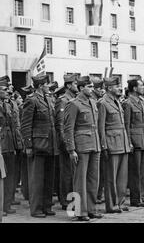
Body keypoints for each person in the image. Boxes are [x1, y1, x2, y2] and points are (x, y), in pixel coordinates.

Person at [63, 76, 103, 221]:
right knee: (80, 180)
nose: (92, 89)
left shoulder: (92, 102)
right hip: (81, 146)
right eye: (89, 87)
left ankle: (91, 209)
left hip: (94, 144)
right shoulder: (73, 104)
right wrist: (71, 149)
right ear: (81, 88)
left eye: (92, 87)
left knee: (93, 179)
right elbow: (68, 128)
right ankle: (80, 211)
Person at [21, 74, 58, 218]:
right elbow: (25, 125)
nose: (48, 87)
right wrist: (28, 145)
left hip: (50, 144)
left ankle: (47, 206)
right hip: (38, 145)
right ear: (41, 86)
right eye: (47, 85)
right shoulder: (31, 100)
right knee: (37, 179)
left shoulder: (48, 99)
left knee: (49, 178)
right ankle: (36, 209)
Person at [98, 77, 132, 213]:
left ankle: (120, 202)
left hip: (122, 143)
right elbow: (100, 127)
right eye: (117, 86)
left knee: (122, 177)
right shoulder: (103, 103)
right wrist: (103, 146)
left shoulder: (117, 102)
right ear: (109, 88)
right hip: (111, 144)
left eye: (120, 86)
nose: (120, 88)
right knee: (111, 177)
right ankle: (111, 205)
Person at [123, 79, 144, 207]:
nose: (143, 88)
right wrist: (129, 142)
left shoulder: (142, 102)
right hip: (135, 139)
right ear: (134, 88)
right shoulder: (128, 103)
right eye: (140, 86)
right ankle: (136, 198)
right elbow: (127, 125)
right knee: (136, 171)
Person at [55, 74, 78, 210]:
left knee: (73, 173)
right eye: (75, 83)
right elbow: (61, 124)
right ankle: (66, 201)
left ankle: (73, 200)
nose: (77, 86)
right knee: (67, 173)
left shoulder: (74, 99)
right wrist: (66, 143)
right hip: (66, 141)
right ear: (69, 85)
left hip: (74, 140)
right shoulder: (63, 100)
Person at [0, 77, 21, 216]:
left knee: (10, 175)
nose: (8, 91)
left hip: (10, 143)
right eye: (5, 89)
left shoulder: (7, 104)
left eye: (8, 89)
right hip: (2, 143)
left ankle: (6, 205)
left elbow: (14, 124)